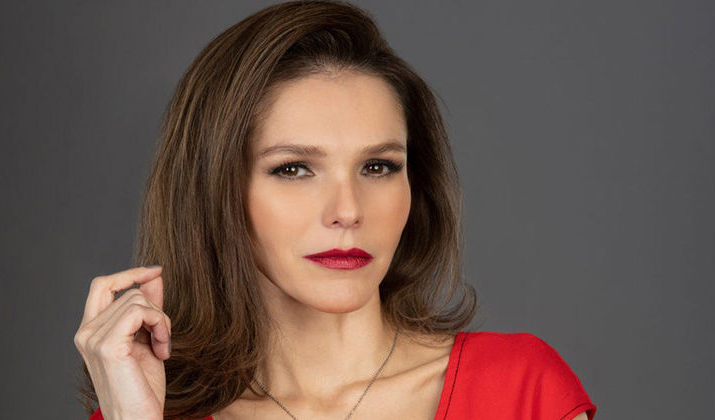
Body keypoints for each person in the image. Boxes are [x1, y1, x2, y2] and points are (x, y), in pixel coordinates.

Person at [73, 1, 597, 419]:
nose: (347, 211)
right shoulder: (142, 411)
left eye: (378, 167)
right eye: (294, 169)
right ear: (213, 191)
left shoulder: (522, 391)